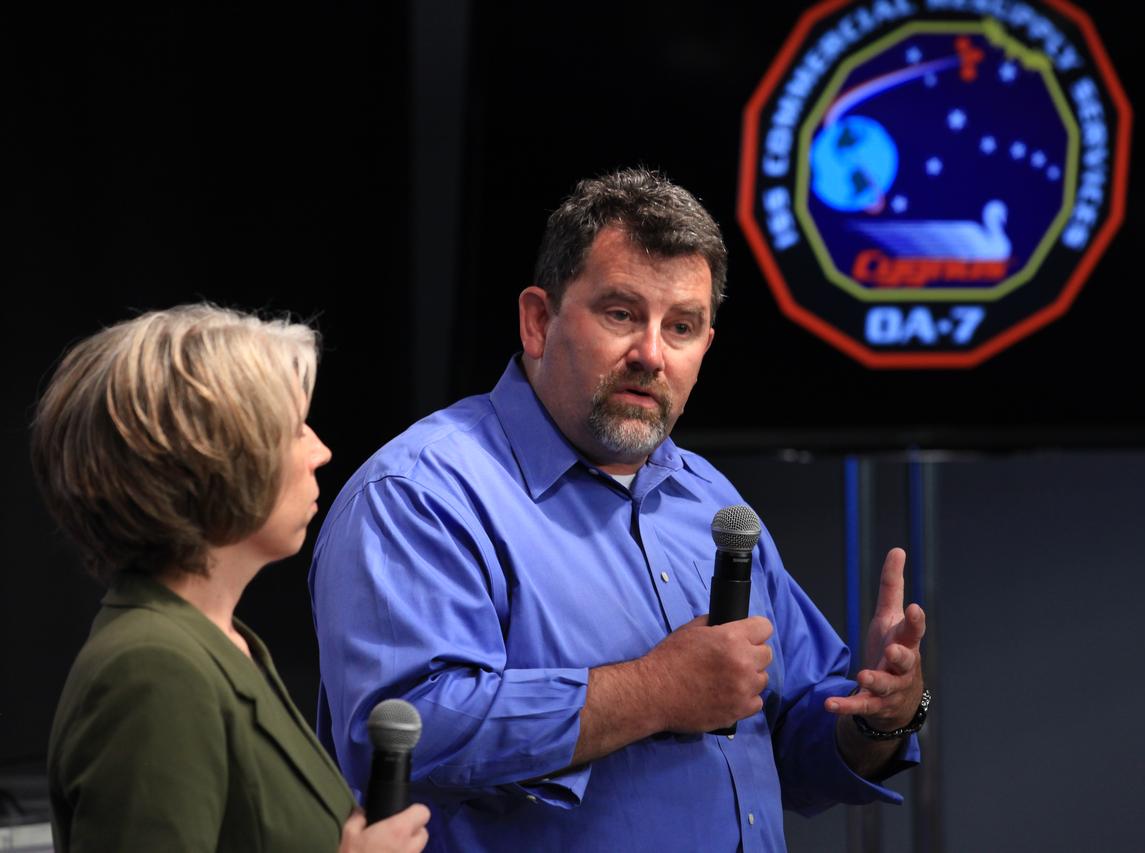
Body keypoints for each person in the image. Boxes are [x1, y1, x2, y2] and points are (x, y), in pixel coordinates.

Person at [310, 169, 928, 851]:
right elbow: (397, 737)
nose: (651, 355)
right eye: (621, 314)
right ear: (538, 321)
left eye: (682, 326)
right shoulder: (421, 493)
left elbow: (795, 735)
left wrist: (883, 716)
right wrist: (653, 690)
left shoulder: (712, 501)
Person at [33, 304, 431, 853]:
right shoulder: (153, 668)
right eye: (294, 430)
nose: (321, 451)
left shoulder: (215, 642)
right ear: (212, 461)